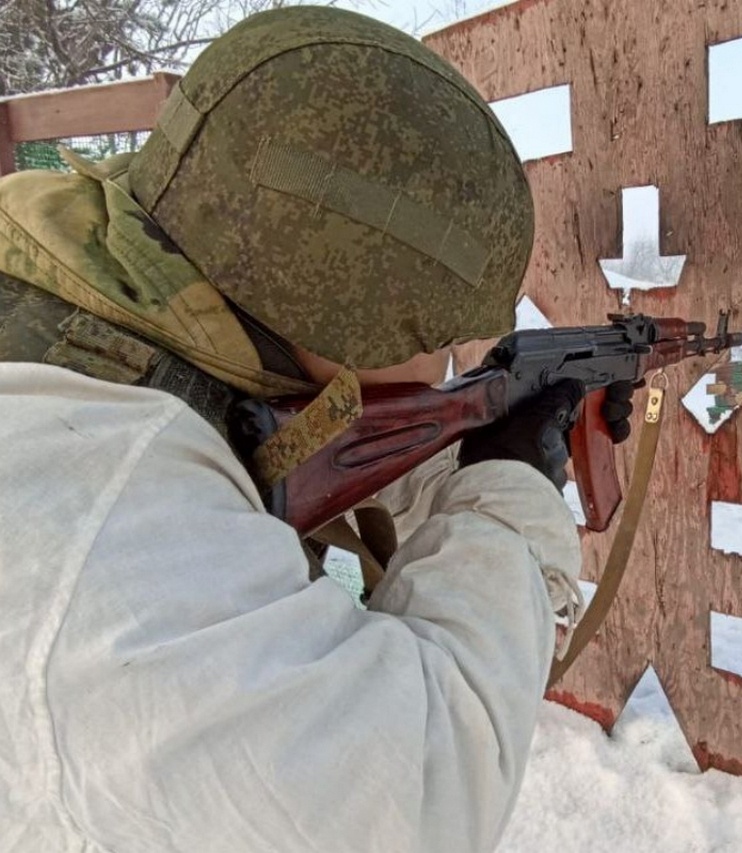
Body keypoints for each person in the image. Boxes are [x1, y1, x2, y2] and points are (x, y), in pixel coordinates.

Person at [0, 7, 626, 851]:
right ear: (343, 326)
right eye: (439, 338)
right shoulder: (107, 515)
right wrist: (510, 486)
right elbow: (417, 790)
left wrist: (480, 442)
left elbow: (310, 440)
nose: (449, 366)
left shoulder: (104, 302)